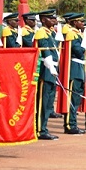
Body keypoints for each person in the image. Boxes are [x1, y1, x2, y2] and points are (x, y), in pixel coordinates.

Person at [34, 9, 60, 140]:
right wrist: (51, 66)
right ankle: (39, 129)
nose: (54, 21)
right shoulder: (41, 32)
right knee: (42, 101)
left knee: (49, 101)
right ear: (43, 20)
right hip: (46, 69)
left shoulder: (51, 33)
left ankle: (43, 127)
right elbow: (45, 51)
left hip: (52, 69)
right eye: (51, 18)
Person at [61, 13, 86, 134]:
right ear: (74, 23)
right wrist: (84, 46)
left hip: (79, 67)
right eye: (80, 22)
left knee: (76, 99)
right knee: (72, 98)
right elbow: (79, 51)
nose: (83, 24)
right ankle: (69, 124)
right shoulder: (72, 34)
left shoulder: (78, 34)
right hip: (74, 68)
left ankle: (73, 123)